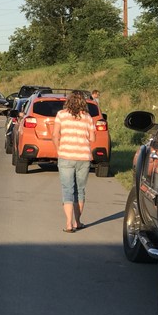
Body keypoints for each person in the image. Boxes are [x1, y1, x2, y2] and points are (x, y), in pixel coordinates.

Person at [53, 90, 95, 232]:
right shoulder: (88, 117)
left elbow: (55, 135)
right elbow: (92, 138)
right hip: (83, 157)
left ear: (68, 100)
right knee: (80, 190)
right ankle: (78, 222)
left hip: (66, 156)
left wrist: (59, 150)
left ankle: (68, 224)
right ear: (83, 102)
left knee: (67, 190)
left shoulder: (61, 115)